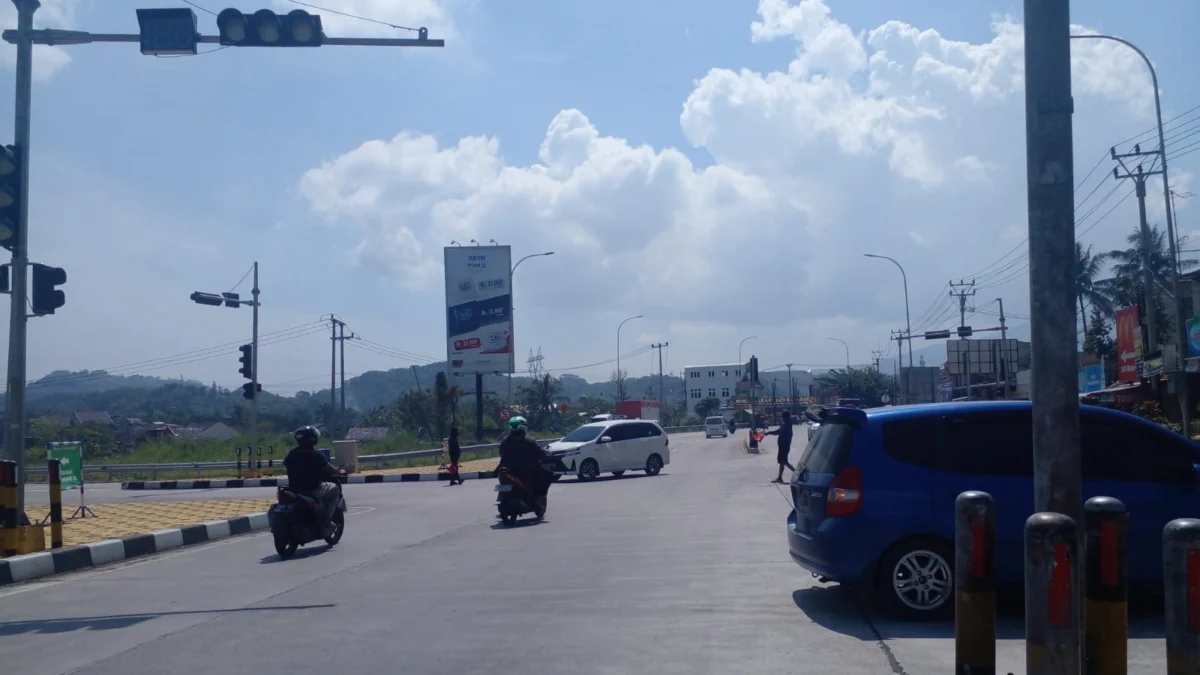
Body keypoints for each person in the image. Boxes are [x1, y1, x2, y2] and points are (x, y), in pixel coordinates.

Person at [283, 425, 344, 533]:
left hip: (294, 489)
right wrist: (341, 472)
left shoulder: (291, 454)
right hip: (312, 489)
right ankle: (327, 519)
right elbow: (330, 469)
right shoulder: (315, 455)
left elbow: (286, 468)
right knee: (334, 489)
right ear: (313, 439)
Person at [498, 416, 550, 511]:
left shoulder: (505, 441)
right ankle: (538, 496)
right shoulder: (528, 440)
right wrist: (546, 455)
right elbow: (539, 452)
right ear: (523, 427)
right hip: (526, 471)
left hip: (509, 470)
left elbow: (501, 454)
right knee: (548, 474)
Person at [764, 411, 796, 484]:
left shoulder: (785, 424)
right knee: (782, 462)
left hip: (784, 446)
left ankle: (797, 473)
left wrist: (769, 433)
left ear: (784, 417)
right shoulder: (788, 423)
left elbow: (778, 432)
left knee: (784, 461)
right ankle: (780, 477)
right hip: (784, 445)